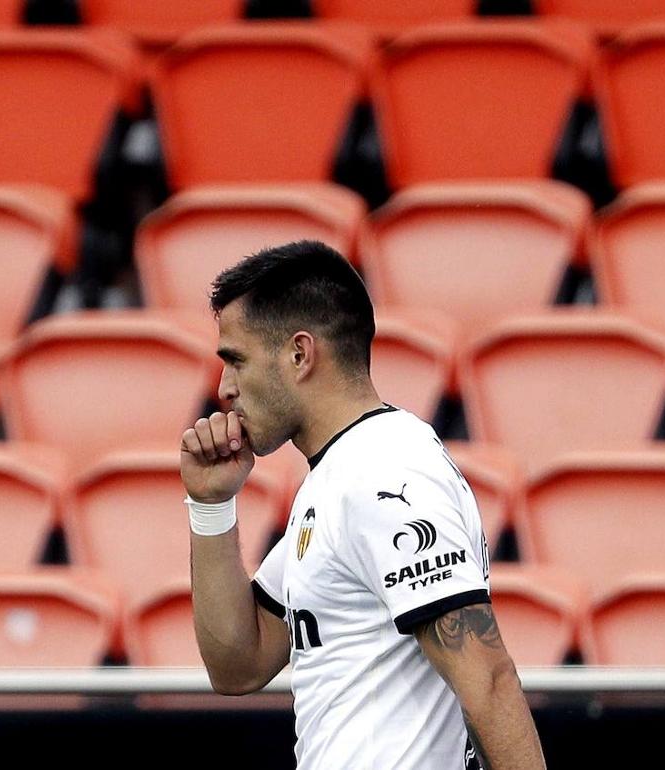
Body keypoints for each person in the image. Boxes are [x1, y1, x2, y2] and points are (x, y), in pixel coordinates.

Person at [181, 240, 545, 769]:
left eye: (236, 360)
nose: (224, 388)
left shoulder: (386, 471)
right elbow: (238, 665)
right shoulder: (339, 477)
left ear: (300, 354)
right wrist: (210, 507)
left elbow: (488, 677)